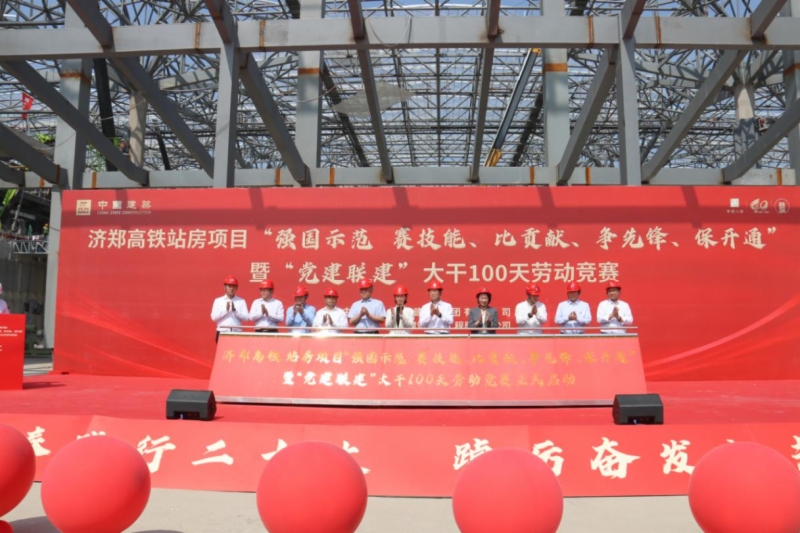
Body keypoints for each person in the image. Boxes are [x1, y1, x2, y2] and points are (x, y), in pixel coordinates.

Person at [210, 275, 249, 343]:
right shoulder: (218, 301)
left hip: (237, 332)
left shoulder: (241, 301)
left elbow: (246, 318)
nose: (231, 288)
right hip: (222, 332)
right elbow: (213, 318)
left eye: (234, 286)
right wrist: (225, 310)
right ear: (225, 287)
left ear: (237, 288)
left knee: (237, 350)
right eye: (229, 286)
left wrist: (235, 311)